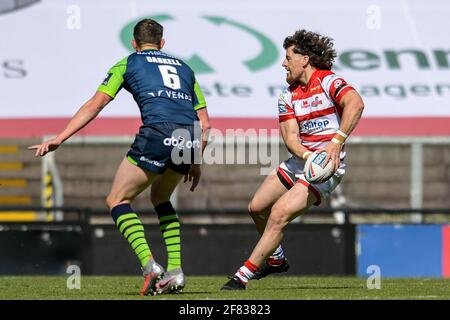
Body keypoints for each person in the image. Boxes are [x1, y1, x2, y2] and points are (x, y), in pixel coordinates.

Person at [28, 19, 211, 296]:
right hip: (187, 135)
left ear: (134, 43)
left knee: (117, 200)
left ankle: (151, 267)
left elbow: (96, 103)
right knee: (160, 199)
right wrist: (195, 160)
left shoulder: (128, 63)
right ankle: (176, 271)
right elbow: (205, 123)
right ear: (163, 43)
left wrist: (59, 138)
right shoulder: (185, 68)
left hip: (158, 132)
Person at [222, 29, 364, 290]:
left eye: (288, 57)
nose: (283, 63)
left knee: (278, 214)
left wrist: (335, 142)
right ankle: (275, 259)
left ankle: (241, 277)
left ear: (304, 59)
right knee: (257, 207)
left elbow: (356, 103)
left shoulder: (328, 81)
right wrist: (308, 156)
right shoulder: (287, 96)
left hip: (327, 167)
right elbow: (290, 139)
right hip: (303, 161)